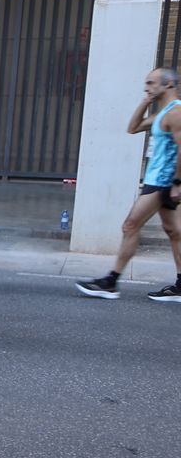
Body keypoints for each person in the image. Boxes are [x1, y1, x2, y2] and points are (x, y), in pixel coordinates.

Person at [76, 67, 181, 302]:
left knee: (130, 226)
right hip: (157, 180)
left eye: (151, 83)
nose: (147, 87)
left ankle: (110, 282)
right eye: (146, 83)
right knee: (174, 232)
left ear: (169, 85)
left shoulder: (176, 113)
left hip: (164, 182)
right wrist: (145, 101)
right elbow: (132, 128)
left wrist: (177, 183)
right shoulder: (163, 113)